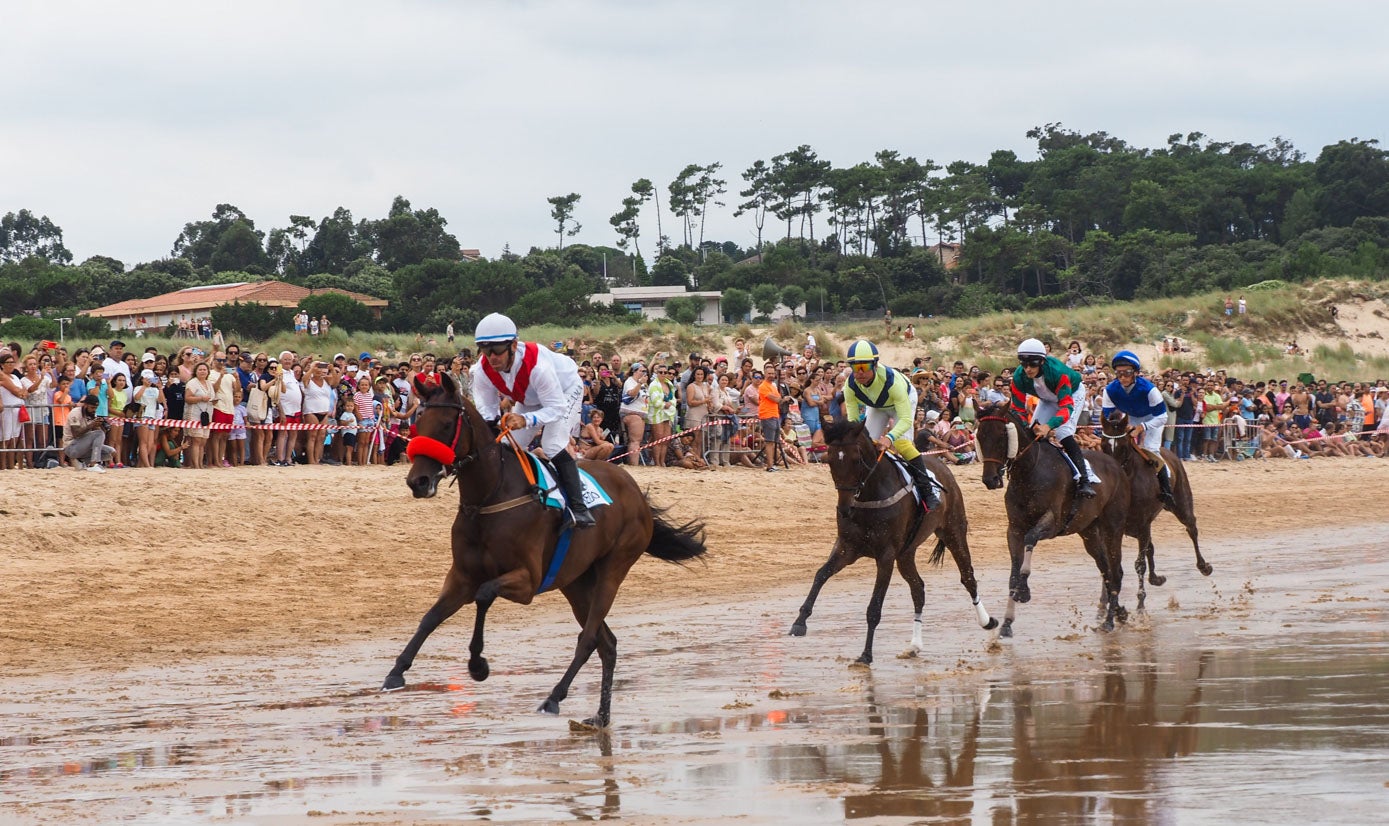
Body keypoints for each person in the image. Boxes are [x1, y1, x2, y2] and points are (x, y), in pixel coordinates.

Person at [471, 312, 594, 528]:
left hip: (564, 390)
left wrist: (526, 420)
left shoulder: (538, 367)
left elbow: (556, 408)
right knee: (507, 445)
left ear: (513, 345)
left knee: (552, 444)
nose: (492, 357)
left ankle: (580, 509)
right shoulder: (481, 370)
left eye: (497, 350)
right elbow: (487, 412)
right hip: (530, 397)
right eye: (485, 350)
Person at [842, 339, 941, 509]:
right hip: (877, 406)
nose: (859, 373)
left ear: (874, 365)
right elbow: (853, 422)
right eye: (855, 367)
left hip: (902, 402)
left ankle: (928, 491)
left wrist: (889, 437)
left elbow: (905, 420)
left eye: (864, 367)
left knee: (901, 443)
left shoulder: (892, 382)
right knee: (864, 444)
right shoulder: (849, 386)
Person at [1011, 338, 1094, 498]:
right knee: (1031, 433)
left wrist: (1048, 426)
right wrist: (1026, 425)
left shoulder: (1058, 372)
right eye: (1024, 364)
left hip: (1072, 395)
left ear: (1042, 361)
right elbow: (1018, 410)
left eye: (1033, 364)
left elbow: (1066, 407)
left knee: (1063, 433)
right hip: (1048, 399)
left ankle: (1085, 480)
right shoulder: (1018, 377)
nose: (1028, 369)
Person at [1100, 351, 1174, 506]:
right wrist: (1122, 424)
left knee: (1150, 448)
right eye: (1119, 373)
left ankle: (1167, 489)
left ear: (1135, 373)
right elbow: (1108, 416)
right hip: (1130, 418)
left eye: (1127, 373)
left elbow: (1163, 417)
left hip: (1152, 418)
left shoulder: (1149, 389)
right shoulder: (1110, 390)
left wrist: (1141, 427)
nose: (1122, 377)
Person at [61, 394, 116, 471]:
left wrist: (102, 425)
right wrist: (91, 425)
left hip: (83, 446)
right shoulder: (75, 413)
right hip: (71, 446)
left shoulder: (92, 415)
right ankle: (94, 463)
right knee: (99, 434)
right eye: (92, 407)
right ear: (86, 405)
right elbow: (76, 434)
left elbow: (100, 435)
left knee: (111, 452)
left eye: (96, 408)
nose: (94, 410)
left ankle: (82, 461)